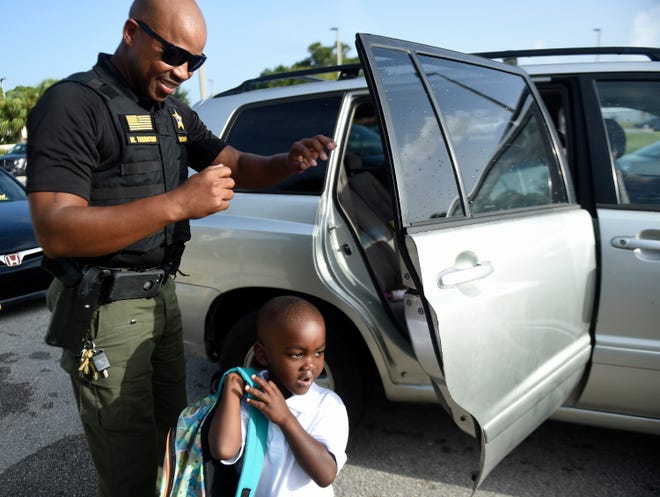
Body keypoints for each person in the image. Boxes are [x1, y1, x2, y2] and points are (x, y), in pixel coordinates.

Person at [25, 0, 336, 495]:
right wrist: (176, 204)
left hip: (160, 298)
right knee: (128, 461)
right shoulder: (73, 104)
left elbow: (234, 161)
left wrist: (285, 160)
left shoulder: (172, 112)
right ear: (131, 32)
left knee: (175, 444)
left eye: (196, 61)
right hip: (106, 311)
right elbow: (55, 229)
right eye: (173, 53)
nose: (184, 71)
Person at [207, 296, 349, 497]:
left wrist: (285, 419)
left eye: (319, 352)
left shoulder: (328, 405)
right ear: (263, 354)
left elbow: (325, 474)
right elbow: (223, 450)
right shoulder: (251, 399)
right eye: (297, 355)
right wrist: (231, 388)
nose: (310, 364)